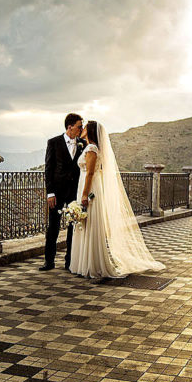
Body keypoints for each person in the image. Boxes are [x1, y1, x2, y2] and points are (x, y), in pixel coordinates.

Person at [68, 120, 164, 280]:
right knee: (86, 224)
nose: (82, 129)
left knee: (90, 224)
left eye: (85, 127)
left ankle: (93, 264)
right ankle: (85, 263)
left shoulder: (91, 148)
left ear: (90, 131)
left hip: (89, 188)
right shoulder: (89, 147)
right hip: (86, 186)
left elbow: (90, 173)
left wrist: (85, 194)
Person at [42, 113, 85, 271]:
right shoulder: (53, 142)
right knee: (53, 226)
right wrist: (50, 193)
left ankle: (69, 262)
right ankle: (49, 261)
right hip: (57, 192)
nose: (81, 129)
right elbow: (49, 168)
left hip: (75, 193)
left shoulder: (83, 143)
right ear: (70, 127)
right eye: (79, 126)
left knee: (73, 226)